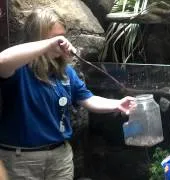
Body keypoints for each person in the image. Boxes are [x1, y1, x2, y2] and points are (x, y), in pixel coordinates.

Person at [0, 8, 135, 179]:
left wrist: (116, 104)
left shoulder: (65, 72)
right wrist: (49, 44)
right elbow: (2, 61)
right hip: (21, 160)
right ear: (37, 38)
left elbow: (88, 99)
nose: (60, 43)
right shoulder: (18, 68)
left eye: (62, 36)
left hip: (59, 157)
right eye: (53, 38)